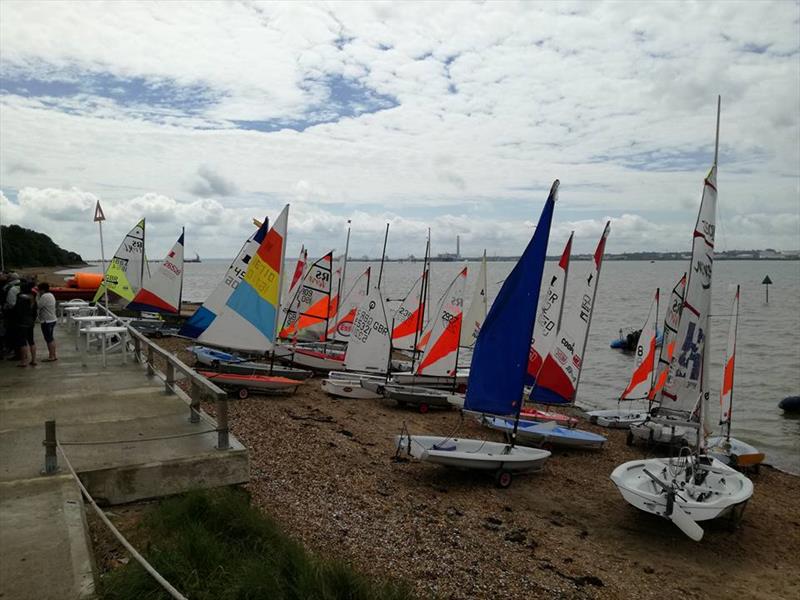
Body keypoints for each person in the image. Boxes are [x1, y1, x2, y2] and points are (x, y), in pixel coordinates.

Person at [14, 280, 37, 367]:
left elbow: (18, 310)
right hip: (31, 320)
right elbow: (35, 310)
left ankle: (23, 361)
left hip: (22, 321)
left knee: (23, 342)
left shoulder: (20, 297)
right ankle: (34, 360)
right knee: (31, 341)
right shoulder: (32, 297)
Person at [37, 282, 58, 361]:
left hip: (47, 320)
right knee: (51, 338)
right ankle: (53, 354)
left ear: (42, 290)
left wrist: (37, 297)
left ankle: (51, 356)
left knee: (48, 339)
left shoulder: (44, 296)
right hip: (52, 319)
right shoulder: (51, 295)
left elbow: (39, 305)